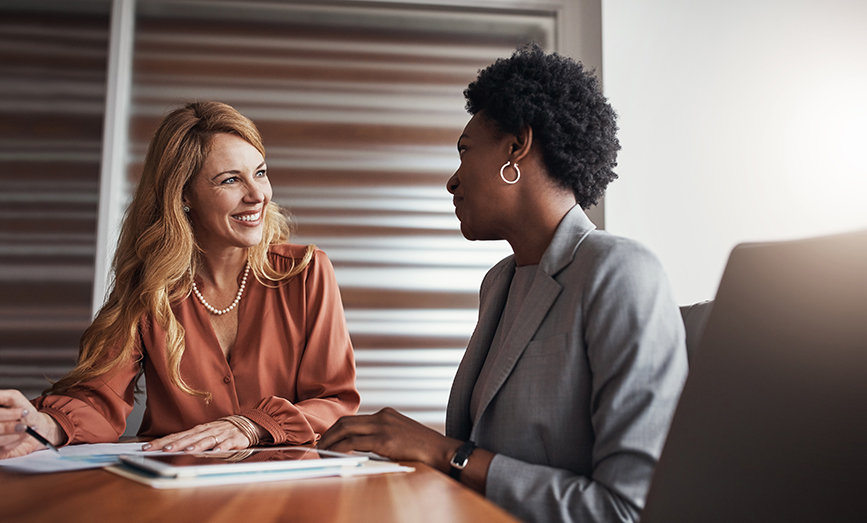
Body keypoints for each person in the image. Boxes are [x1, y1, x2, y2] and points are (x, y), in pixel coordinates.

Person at [319, 43, 688, 523]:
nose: (452, 182)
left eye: (465, 151)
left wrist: (445, 453)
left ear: (517, 146)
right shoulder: (500, 282)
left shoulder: (619, 272)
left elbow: (626, 510)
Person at [0, 101, 359, 458]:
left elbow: (335, 401)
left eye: (260, 173)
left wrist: (251, 425)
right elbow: (100, 397)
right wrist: (42, 426)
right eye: (231, 180)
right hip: (178, 487)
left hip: (287, 490)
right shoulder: (149, 287)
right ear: (184, 195)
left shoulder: (306, 272)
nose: (257, 195)